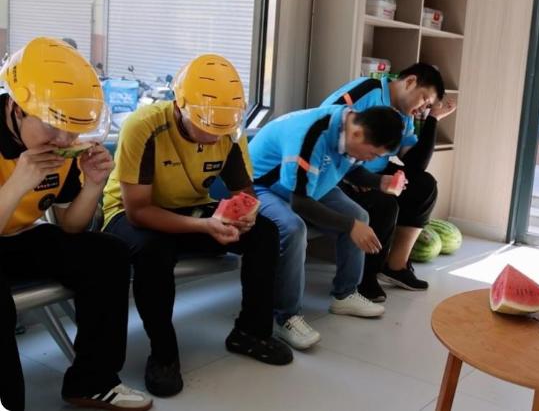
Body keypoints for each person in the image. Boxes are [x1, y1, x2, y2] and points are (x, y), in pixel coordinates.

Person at [102, 54, 291, 398]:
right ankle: (164, 355)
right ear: (180, 106)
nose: (214, 135)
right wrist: (204, 227)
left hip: (192, 210)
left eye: (222, 127)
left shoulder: (227, 130)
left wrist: (246, 214)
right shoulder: (144, 126)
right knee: (153, 251)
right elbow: (138, 212)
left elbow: (243, 191)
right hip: (129, 216)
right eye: (206, 125)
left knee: (264, 232)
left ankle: (251, 332)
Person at [0, 37, 152, 411]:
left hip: (19, 238)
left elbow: (71, 226)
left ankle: (93, 381)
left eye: (72, 129)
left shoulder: (66, 141)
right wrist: (18, 183)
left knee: (107, 254)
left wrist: (94, 185)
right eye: (52, 127)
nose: (64, 139)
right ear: (17, 108)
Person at [248, 104, 404, 350]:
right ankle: (286, 317)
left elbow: (351, 169)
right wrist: (349, 226)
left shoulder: (349, 123)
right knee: (294, 229)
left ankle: (345, 294)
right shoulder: (310, 137)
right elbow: (300, 203)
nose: (372, 160)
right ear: (357, 134)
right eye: (373, 154)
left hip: (304, 186)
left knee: (359, 215)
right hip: (261, 187)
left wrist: (380, 182)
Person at [321, 63, 456, 301]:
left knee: (424, 186)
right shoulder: (366, 91)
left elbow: (415, 164)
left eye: (427, 106)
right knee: (384, 203)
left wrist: (433, 119)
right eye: (424, 100)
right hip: (336, 173)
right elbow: (323, 128)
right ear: (410, 82)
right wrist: (349, 173)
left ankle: (396, 266)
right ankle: (364, 277)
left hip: (372, 172)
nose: (422, 108)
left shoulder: (405, 114)